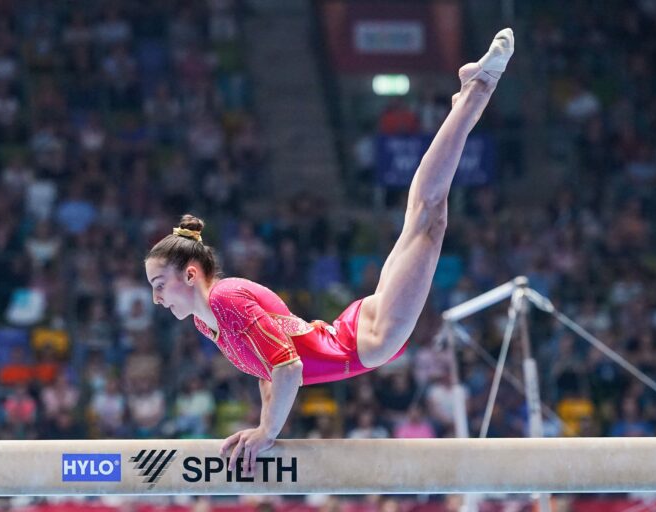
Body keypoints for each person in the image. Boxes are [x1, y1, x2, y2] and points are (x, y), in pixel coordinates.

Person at [145, 29, 514, 474]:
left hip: (368, 342)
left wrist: (267, 433)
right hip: (351, 332)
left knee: (429, 217)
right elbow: (270, 368)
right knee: (422, 216)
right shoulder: (211, 324)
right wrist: (262, 424)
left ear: (189, 275)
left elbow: (288, 368)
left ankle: (477, 90)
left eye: (158, 284)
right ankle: (467, 100)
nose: (155, 298)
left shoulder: (225, 300)